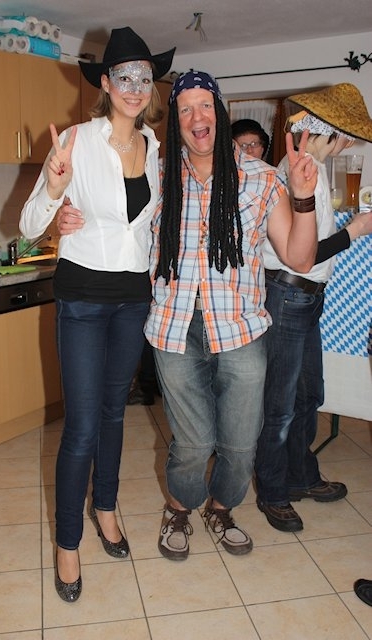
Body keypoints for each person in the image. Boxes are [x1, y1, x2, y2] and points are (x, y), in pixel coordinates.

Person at [20, 26, 175, 602]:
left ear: (150, 87)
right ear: (105, 84)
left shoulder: (155, 148)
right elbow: (28, 225)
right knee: (83, 425)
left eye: (143, 77)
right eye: (123, 77)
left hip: (133, 298)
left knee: (115, 413)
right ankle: (67, 542)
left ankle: (105, 507)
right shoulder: (76, 142)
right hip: (83, 297)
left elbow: (147, 227)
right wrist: (53, 191)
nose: (134, 87)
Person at [143, 70, 319, 561]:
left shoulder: (261, 178)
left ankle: (220, 508)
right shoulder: (157, 176)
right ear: (176, 122)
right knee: (193, 444)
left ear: (219, 112)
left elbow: (300, 258)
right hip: (174, 328)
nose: (196, 117)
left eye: (205, 105)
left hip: (240, 329)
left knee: (241, 444)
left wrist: (303, 196)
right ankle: (179, 506)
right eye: (185, 109)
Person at [255, 83, 372, 533]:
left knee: (307, 395)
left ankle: (301, 475)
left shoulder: (313, 170)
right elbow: (300, 256)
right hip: (287, 295)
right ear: (329, 132)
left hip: (303, 299)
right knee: (280, 404)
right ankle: (273, 490)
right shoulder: (296, 171)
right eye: (345, 136)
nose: (348, 144)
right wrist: (356, 230)